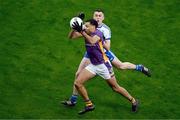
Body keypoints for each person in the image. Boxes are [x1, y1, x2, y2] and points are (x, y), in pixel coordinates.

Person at [62, 10, 151, 106]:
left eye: (100, 16)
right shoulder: (87, 27)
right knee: (78, 74)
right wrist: (75, 26)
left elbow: (107, 47)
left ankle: (139, 67)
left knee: (120, 66)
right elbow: (72, 36)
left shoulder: (105, 30)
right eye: (96, 15)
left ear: (103, 18)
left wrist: (98, 42)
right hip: (91, 54)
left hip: (103, 54)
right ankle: (73, 100)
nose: (98, 17)